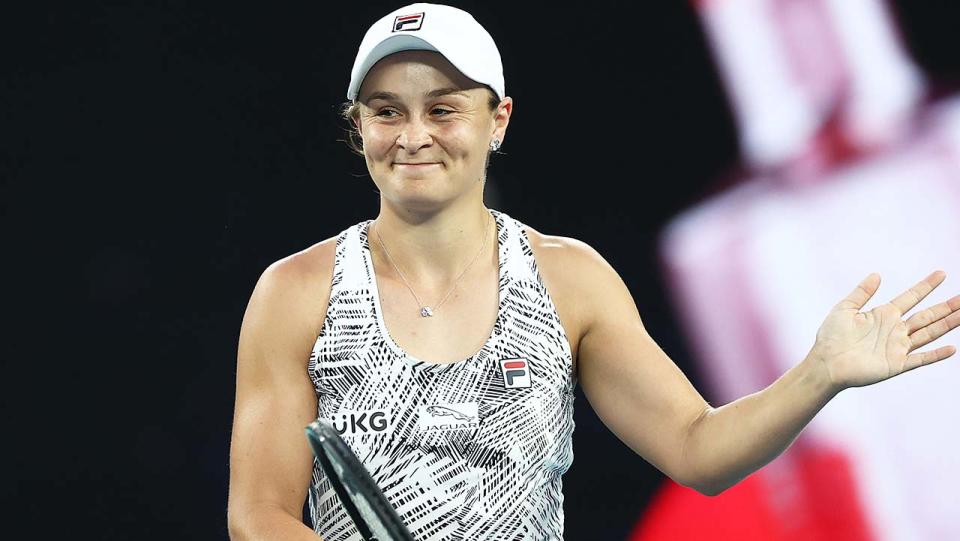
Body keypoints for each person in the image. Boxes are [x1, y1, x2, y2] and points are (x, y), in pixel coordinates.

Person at [226, 3, 960, 540]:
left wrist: (820, 373)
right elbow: (258, 514)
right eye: (387, 112)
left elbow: (697, 449)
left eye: (443, 109)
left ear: (498, 120)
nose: (414, 136)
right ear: (359, 128)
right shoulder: (296, 293)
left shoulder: (567, 278)